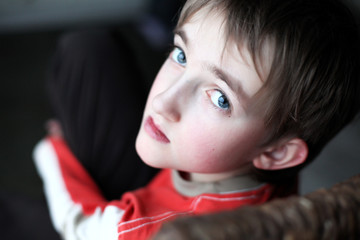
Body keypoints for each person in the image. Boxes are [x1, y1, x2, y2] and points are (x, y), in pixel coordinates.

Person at [33, 0, 360, 239]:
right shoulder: (265, 152)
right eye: (181, 55)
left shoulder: (159, 230)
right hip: (173, 175)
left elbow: (78, 222)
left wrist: (54, 147)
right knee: (89, 49)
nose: (164, 101)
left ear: (277, 153)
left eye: (220, 99)